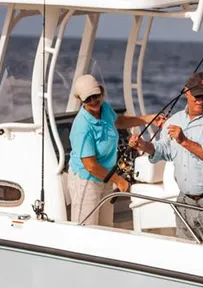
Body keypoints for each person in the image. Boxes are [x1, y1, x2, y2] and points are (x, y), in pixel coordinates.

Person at [128, 71, 203, 248]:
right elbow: (163, 150)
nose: (201, 101)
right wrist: (143, 146)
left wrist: (184, 141)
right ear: (186, 92)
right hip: (185, 200)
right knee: (186, 252)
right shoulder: (175, 120)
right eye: (197, 96)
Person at [68, 74, 164, 225]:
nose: (93, 101)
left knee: (106, 226)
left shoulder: (104, 108)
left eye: (96, 95)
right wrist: (118, 180)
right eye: (88, 99)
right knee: (86, 228)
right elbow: (90, 166)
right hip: (87, 180)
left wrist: (148, 119)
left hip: (106, 175)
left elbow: (119, 121)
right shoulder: (82, 127)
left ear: (101, 92)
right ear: (81, 100)